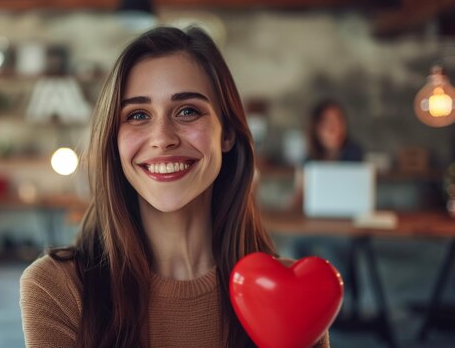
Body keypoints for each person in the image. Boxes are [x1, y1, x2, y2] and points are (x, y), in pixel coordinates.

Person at [20, 27, 330, 348]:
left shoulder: (295, 293)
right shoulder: (57, 287)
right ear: (113, 139)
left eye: (187, 111)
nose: (163, 138)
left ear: (227, 135)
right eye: (138, 115)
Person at [288, 99, 363, 322]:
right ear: (316, 128)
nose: (334, 127)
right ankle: (306, 304)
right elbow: (298, 198)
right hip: (315, 225)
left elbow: (358, 194)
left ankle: (340, 308)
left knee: (341, 249)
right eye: (327, 122)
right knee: (298, 245)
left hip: (346, 225)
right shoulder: (308, 158)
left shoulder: (353, 153)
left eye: (338, 121)